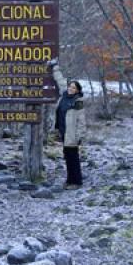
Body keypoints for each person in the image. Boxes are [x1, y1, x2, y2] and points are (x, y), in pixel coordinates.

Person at [49, 58, 86, 189]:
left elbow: (82, 121)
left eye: (73, 88)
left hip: (72, 135)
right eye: (70, 86)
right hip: (63, 132)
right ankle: (70, 180)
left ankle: (76, 182)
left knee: (73, 159)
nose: (71, 89)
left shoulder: (78, 102)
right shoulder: (64, 94)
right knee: (67, 157)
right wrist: (54, 66)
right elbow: (60, 80)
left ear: (77, 90)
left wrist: (79, 136)